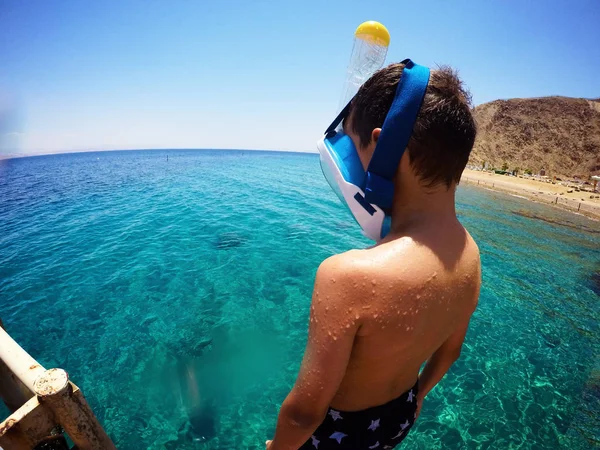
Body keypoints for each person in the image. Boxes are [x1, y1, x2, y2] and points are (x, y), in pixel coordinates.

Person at [266, 61, 481, 450]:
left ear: (382, 147)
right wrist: (417, 402)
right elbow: (451, 353)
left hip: (341, 435)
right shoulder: (470, 255)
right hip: (398, 418)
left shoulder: (346, 276)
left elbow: (304, 412)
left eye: (353, 145)